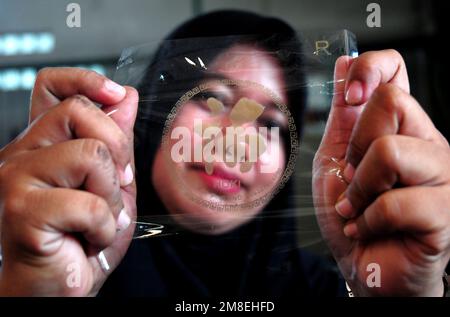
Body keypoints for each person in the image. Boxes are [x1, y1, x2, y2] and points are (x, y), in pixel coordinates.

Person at [0, 10, 448, 297]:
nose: (236, 140)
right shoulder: (65, 264)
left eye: (271, 124)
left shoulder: (326, 291)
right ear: (153, 116)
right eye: (210, 99)